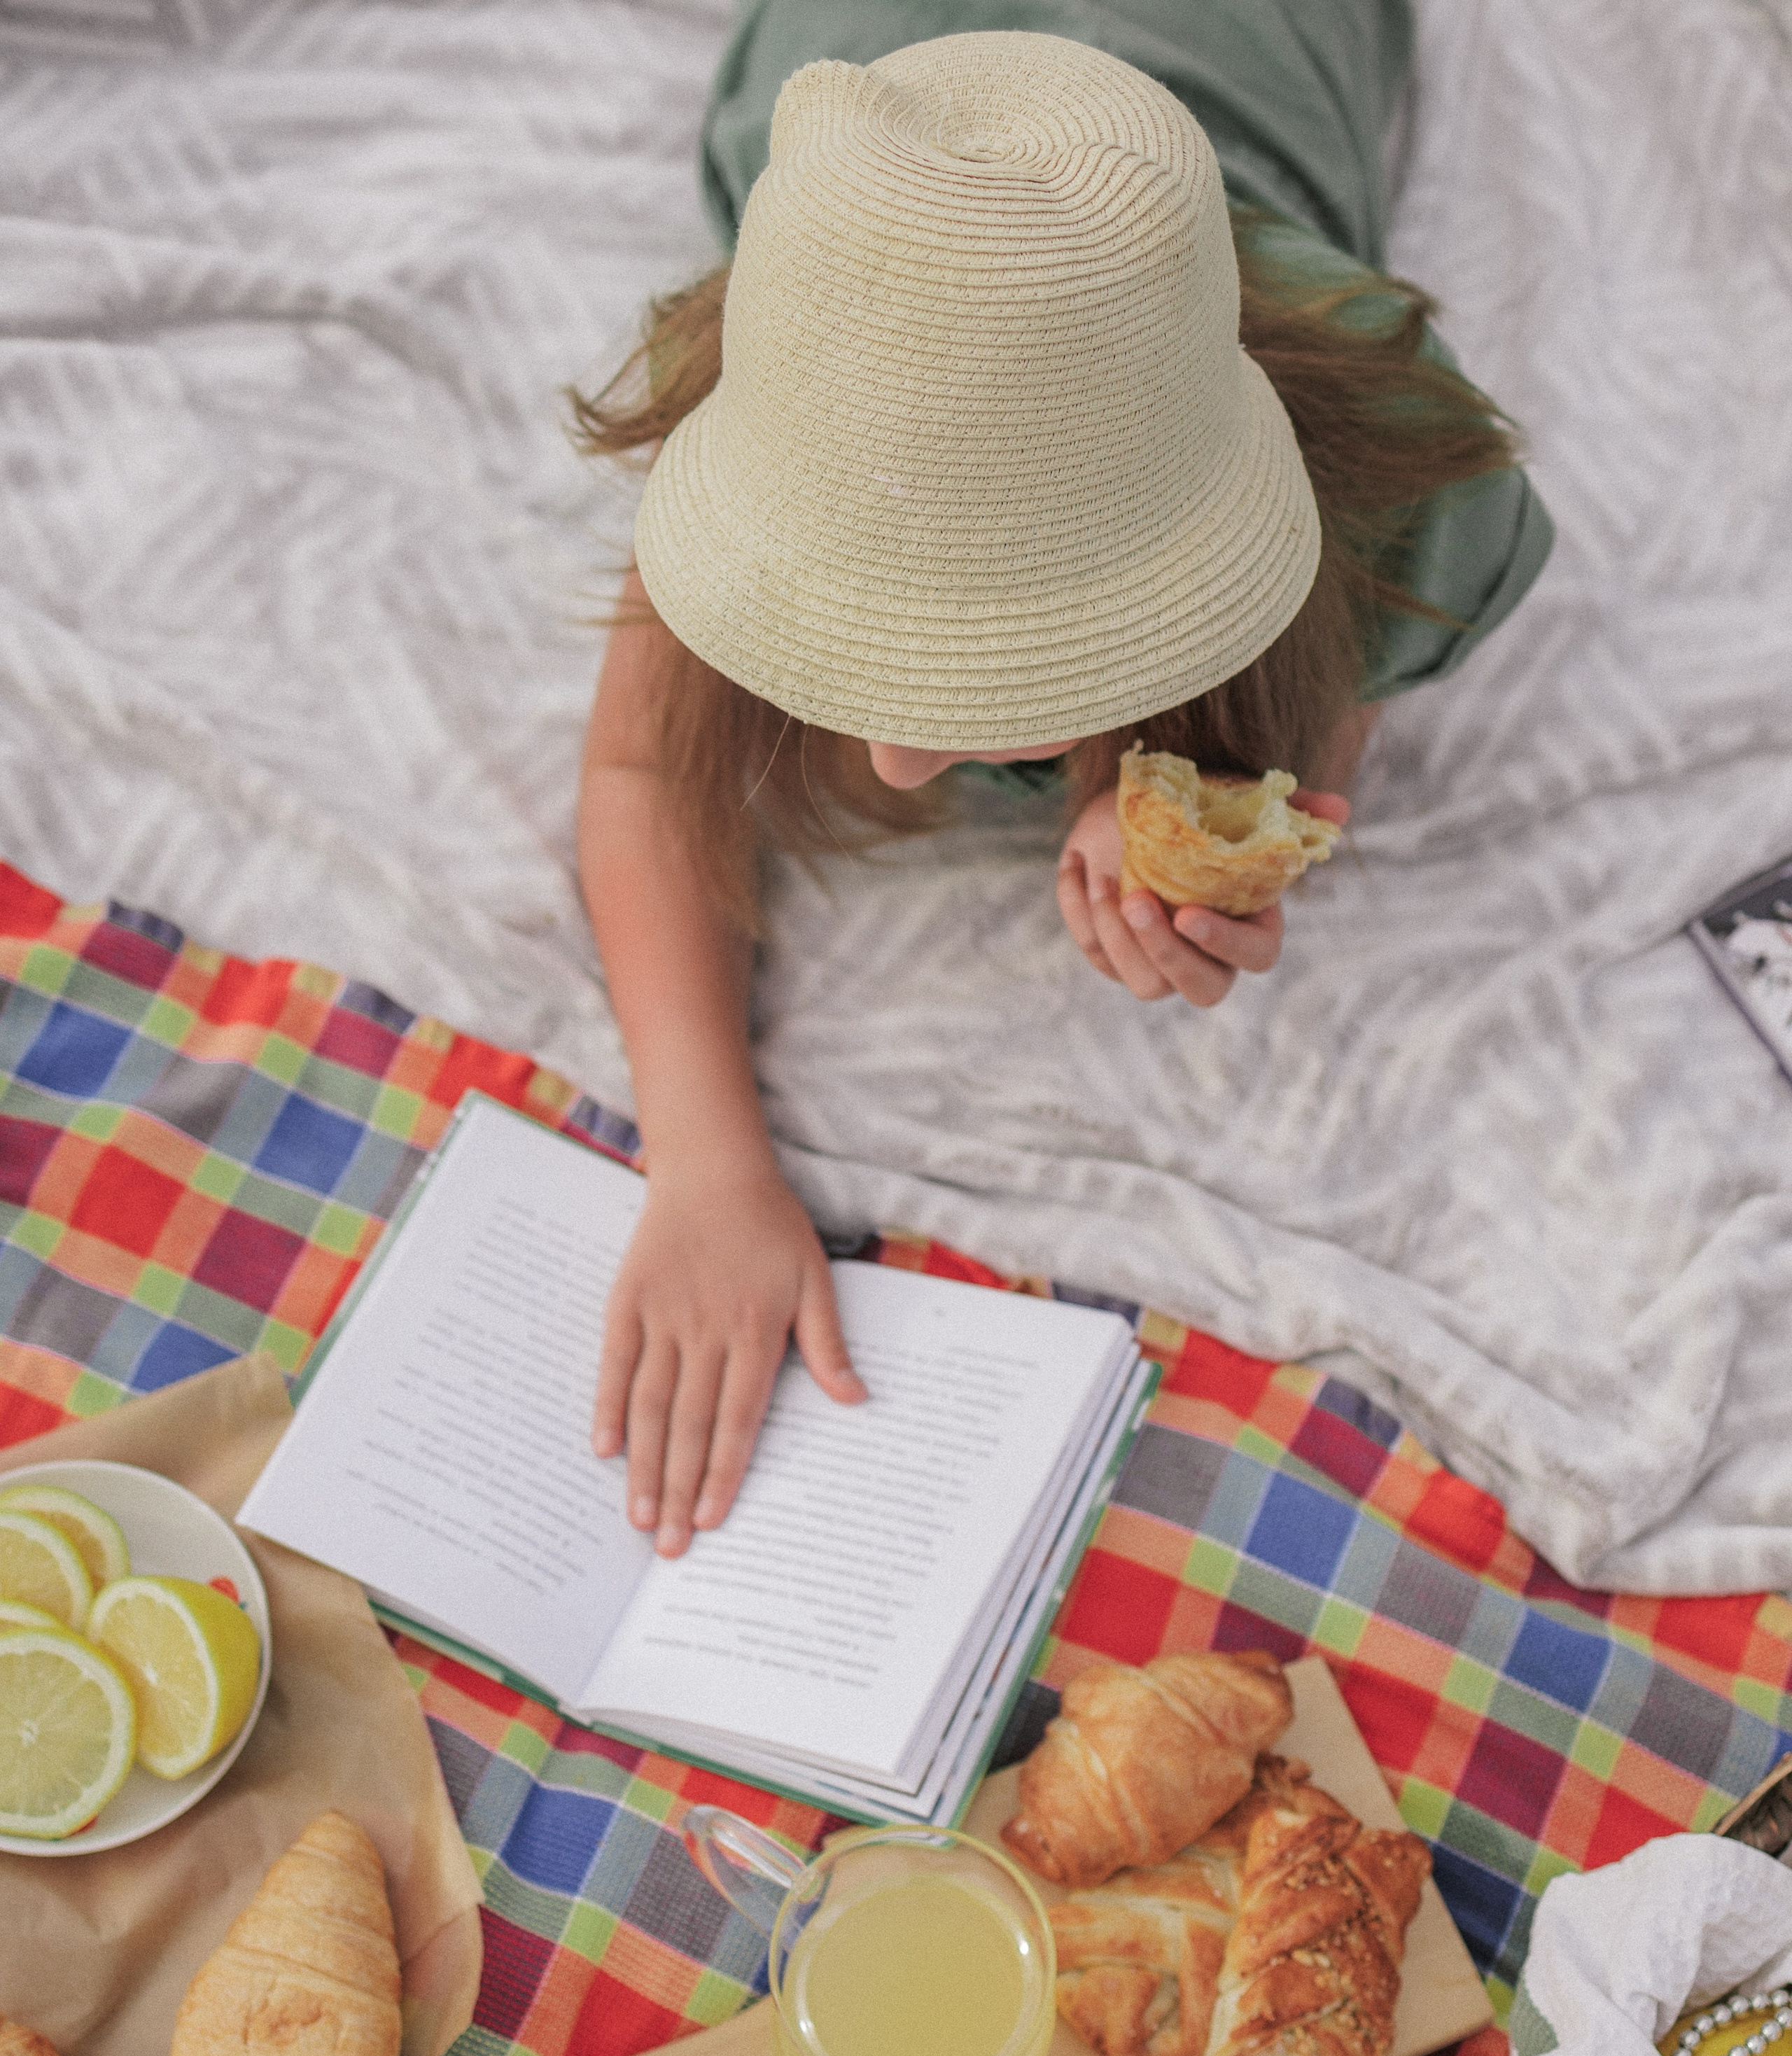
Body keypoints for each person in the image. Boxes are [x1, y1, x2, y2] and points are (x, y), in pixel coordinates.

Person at [571, 5, 1552, 1558]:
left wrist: (1230, 776)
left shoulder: (1386, 445)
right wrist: (702, 1160)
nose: (894, 760)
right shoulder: (811, 300)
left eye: (997, 661)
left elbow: (1349, 655)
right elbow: (639, 765)